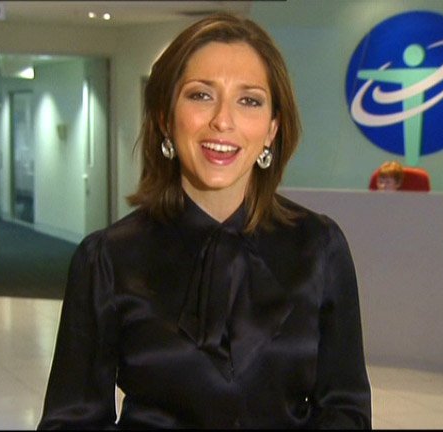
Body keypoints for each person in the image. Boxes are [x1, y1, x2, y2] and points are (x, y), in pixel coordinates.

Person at [37, 12, 371, 429]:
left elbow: (346, 409)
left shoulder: (319, 246)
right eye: (201, 95)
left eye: (249, 100)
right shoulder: (107, 258)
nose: (223, 121)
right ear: (165, 117)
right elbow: (71, 421)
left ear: (272, 128)